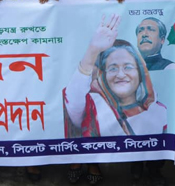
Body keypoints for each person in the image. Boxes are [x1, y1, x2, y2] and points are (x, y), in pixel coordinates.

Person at [63, 16, 166, 185]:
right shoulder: (93, 103)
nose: (120, 74)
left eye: (128, 67)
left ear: (140, 72)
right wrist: (92, 51)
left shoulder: (159, 110)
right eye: (112, 68)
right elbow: (73, 101)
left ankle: (146, 169)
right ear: (103, 75)